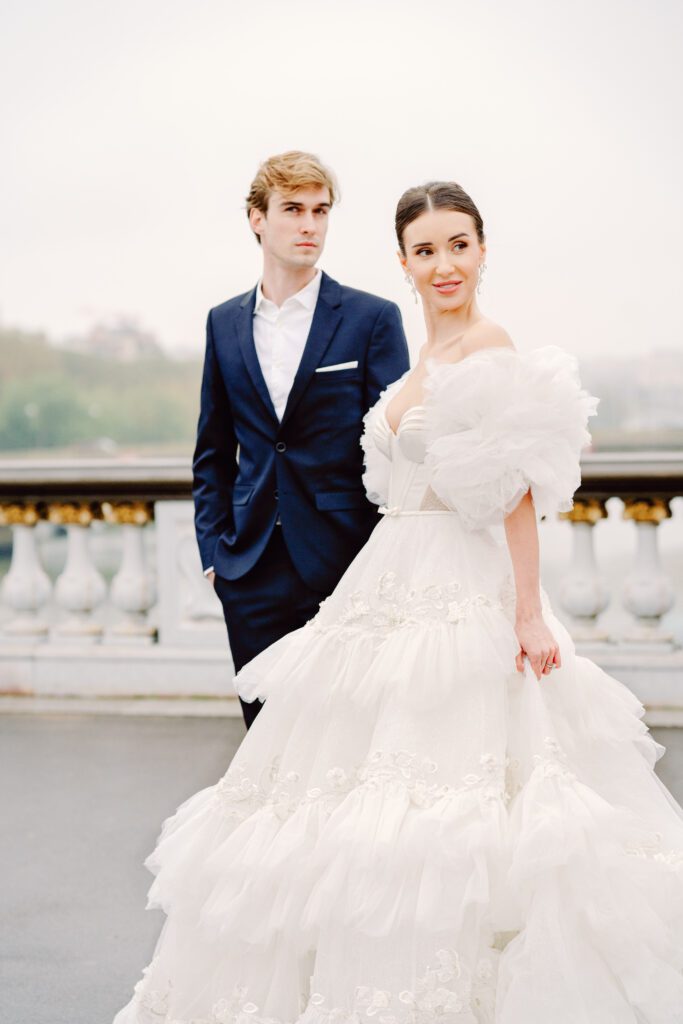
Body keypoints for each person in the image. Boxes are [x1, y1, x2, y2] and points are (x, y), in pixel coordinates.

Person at [115, 182, 683, 1024]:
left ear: (483, 250)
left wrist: (527, 612)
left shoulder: (491, 347)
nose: (444, 264)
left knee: (451, 801)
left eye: (458, 244)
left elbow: (515, 491)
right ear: (403, 263)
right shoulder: (423, 353)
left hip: (464, 582)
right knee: (348, 793)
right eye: (425, 250)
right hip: (388, 574)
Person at [193, 150, 409, 728]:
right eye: (292, 209)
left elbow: (398, 449)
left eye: (320, 210)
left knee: (346, 744)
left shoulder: (372, 318)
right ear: (257, 218)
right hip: (250, 571)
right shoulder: (223, 323)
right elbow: (212, 453)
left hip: (347, 565)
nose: (310, 224)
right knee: (264, 751)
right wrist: (216, 559)